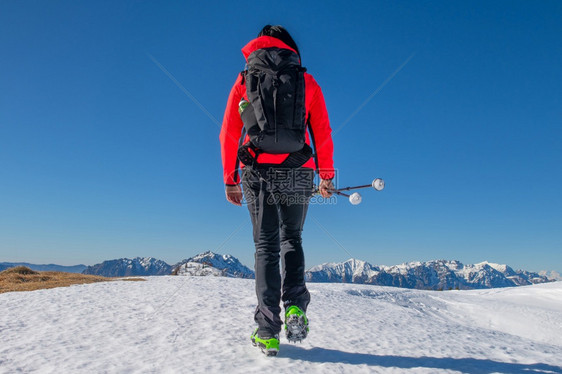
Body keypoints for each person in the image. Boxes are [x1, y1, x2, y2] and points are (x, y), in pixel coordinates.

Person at [219, 25, 335, 356]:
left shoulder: (245, 80)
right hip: (300, 169)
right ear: (290, 47)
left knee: (266, 247)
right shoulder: (306, 80)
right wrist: (325, 176)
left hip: (256, 171)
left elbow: (229, 131)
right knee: (292, 239)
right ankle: (296, 306)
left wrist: (230, 178)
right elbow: (322, 132)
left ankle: (268, 330)